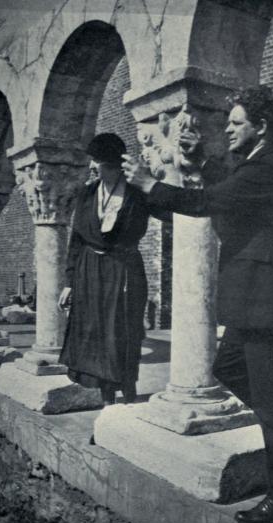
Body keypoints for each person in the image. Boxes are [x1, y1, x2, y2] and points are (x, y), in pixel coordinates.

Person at [122, 86, 273, 523]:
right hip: (252, 301)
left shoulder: (269, 167)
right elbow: (224, 191)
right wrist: (202, 160)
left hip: (266, 301)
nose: (227, 127)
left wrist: (152, 185)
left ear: (261, 127)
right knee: (227, 369)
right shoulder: (254, 165)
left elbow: (211, 202)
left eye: (236, 122)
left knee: (271, 404)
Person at [58, 133, 168, 407]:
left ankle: (128, 392)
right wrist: (70, 282)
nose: (94, 167)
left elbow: (169, 212)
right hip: (90, 270)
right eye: (93, 161)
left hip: (125, 270)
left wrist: (153, 181)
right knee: (95, 333)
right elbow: (77, 240)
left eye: (100, 162)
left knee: (124, 332)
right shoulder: (87, 194)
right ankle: (107, 398)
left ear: (116, 165)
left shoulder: (136, 193)